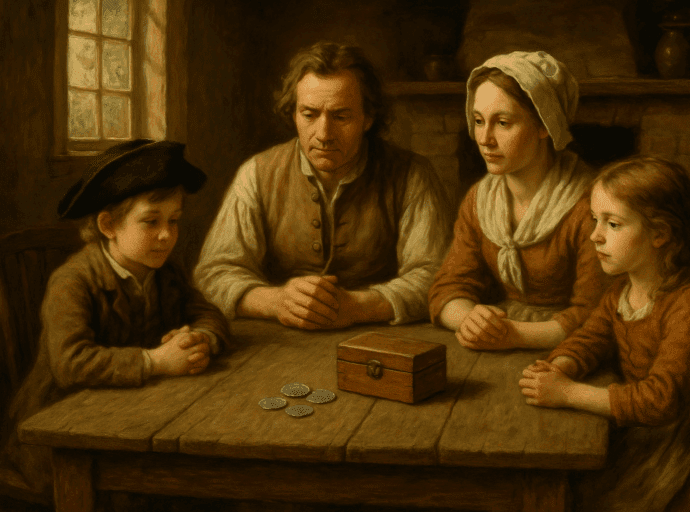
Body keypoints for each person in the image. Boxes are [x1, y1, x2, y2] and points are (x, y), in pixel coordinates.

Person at [518, 156, 690, 511]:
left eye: (613, 224)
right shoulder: (620, 293)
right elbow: (590, 339)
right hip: (641, 424)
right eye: (594, 220)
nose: (595, 235)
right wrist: (559, 367)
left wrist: (569, 393)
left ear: (660, 234)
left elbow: (662, 400)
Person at [1, 139, 231, 499]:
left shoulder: (166, 272)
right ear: (109, 225)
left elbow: (208, 313)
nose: (166, 234)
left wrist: (201, 339)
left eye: (174, 221)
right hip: (57, 432)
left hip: (129, 414)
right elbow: (70, 362)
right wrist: (155, 361)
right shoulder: (73, 281)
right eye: (151, 221)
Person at [194, 42, 452, 330]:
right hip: (277, 338)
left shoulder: (412, 174)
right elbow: (213, 273)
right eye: (309, 114)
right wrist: (275, 301)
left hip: (381, 336)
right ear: (293, 114)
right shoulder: (256, 173)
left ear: (368, 118)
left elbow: (437, 275)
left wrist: (359, 306)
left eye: (341, 116)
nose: (324, 134)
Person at [428, 51, 606, 350]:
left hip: (569, 348)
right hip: (499, 336)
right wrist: (469, 319)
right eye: (479, 121)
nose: (485, 139)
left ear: (544, 125)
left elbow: (597, 314)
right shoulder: (481, 199)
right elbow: (448, 287)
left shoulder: (591, 204)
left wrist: (514, 335)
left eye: (502, 123)